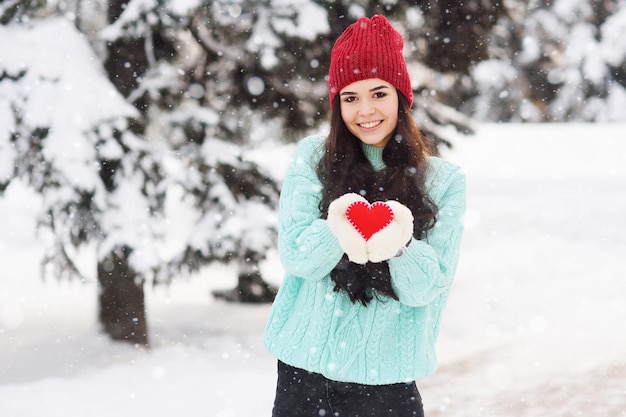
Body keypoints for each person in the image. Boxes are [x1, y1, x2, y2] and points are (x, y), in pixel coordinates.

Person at [263, 14, 466, 417]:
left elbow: (427, 287)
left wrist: (401, 244)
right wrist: (342, 223)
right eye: (350, 98)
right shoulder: (314, 159)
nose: (365, 111)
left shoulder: (443, 181)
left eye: (378, 93)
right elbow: (298, 254)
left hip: (386, 388)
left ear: (401, 97)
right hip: (304, 379)